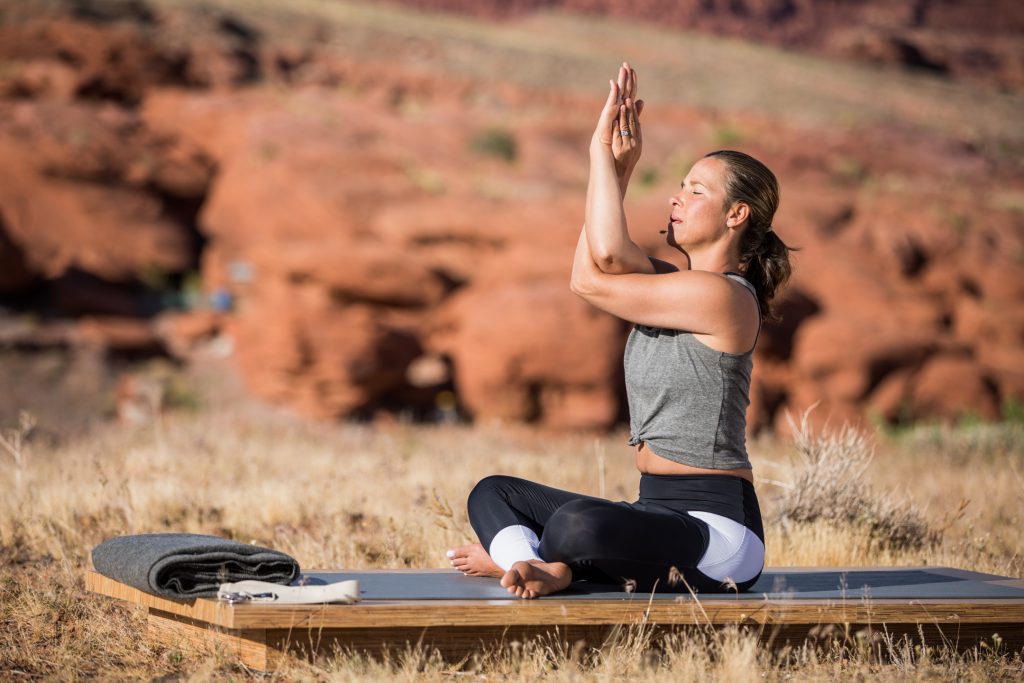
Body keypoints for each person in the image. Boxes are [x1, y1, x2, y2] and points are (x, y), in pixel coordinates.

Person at [447, 63, 798, 599]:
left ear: (737, 215)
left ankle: (541, 561)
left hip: (719, 536)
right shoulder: (671, 284)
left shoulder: (725, 297)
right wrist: (618, 171)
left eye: (697, 190)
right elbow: (590, 268)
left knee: (577, 525)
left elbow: (599, 266)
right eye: (680, 187)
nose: (678, 198)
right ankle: (533, 567)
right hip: (653, 512)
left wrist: (600, 155)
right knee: (493, 493)